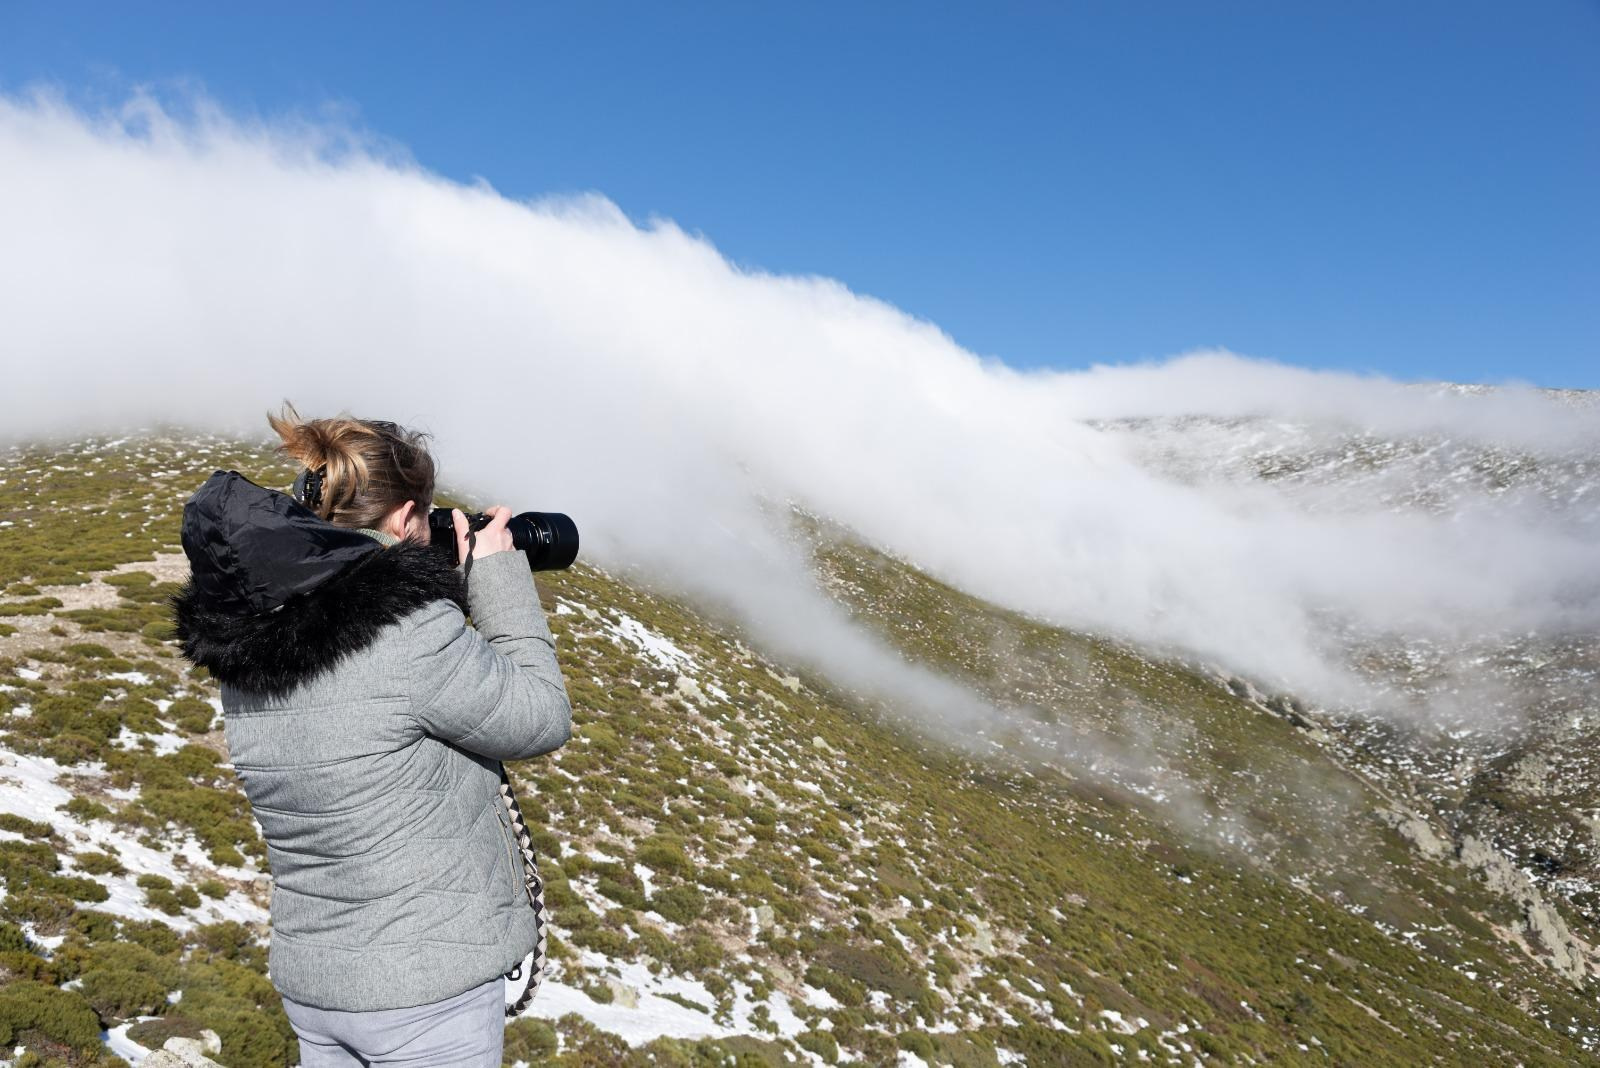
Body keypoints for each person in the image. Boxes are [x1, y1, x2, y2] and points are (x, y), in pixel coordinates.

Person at [171, 402, 572, 1067]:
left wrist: (426, 590)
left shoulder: (253, 630)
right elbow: (540, 717)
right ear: (404, 518)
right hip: (422, 989)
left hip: (317, 984)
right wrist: (498, 575)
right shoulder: (405, 635)